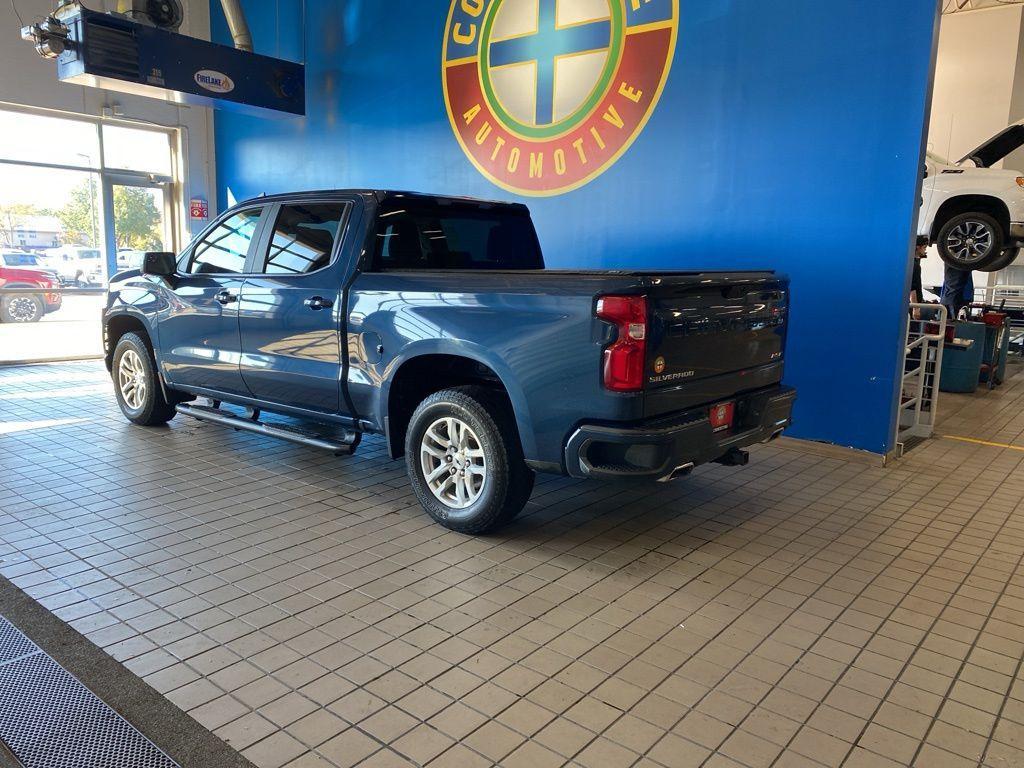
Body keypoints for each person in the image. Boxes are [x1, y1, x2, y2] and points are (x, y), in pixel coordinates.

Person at [910, 235, 926, 320]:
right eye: (924, 247)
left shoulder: (911, 262)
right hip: (912, 305)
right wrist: (915, 308)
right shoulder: (915, 265)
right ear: (917, 247)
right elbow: (912, 288)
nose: (925, 250)